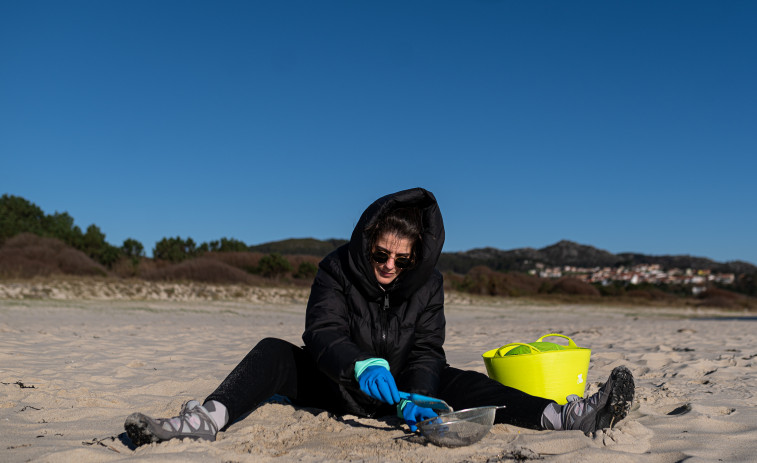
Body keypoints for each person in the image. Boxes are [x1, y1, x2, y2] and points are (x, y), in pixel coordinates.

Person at [124, 187, 635, 446]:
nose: (389, 266)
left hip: (407, 395)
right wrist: (362, 366)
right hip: (340, 384)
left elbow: (428, 348)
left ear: (419, 258)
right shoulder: (334, 268)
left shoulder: (430, 285)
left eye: (402, 259)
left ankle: (565, 416)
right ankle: (204, 421)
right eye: (380, 254)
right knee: (275, 352)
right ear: (368, 242)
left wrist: (419, 394)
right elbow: (320, 332)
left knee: (468, 382)